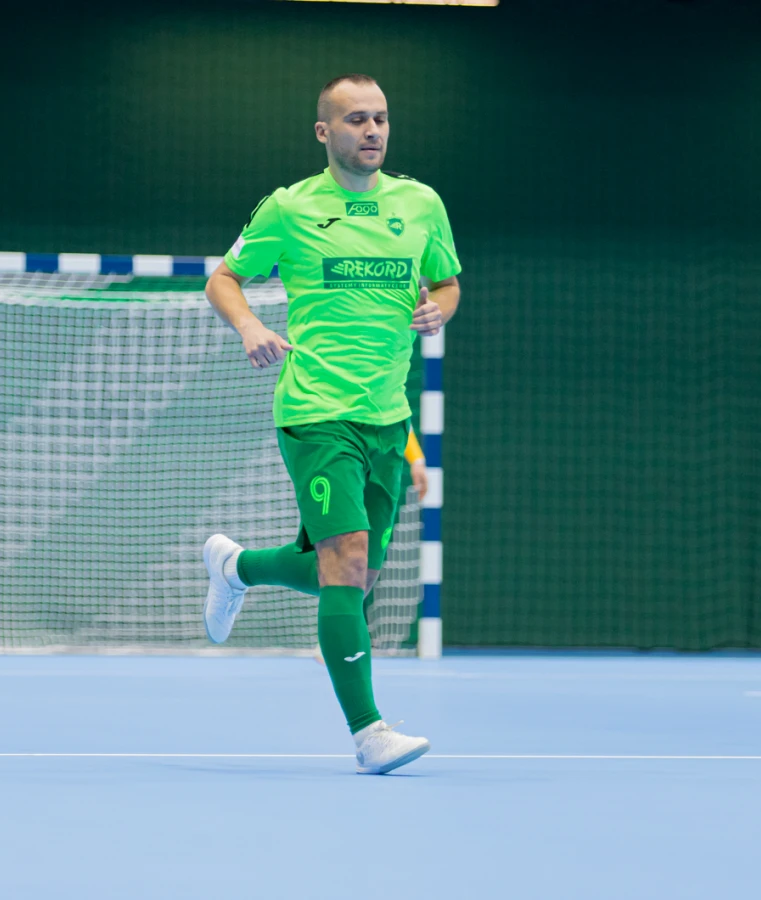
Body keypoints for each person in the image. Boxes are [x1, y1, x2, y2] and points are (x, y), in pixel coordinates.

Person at [202, 74, 461, 774]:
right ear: (325, 132)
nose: (372, 131)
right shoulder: (290, 208)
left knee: (353, 575)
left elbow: (446, 282)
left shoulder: (420, 203)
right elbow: (223, 278)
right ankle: (369, 733)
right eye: (356, 120)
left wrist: (439, 308)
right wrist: (250, 325)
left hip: (388, 418)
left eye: (381, 118)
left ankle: (236, 567)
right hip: (317, 412)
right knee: (344, 558)